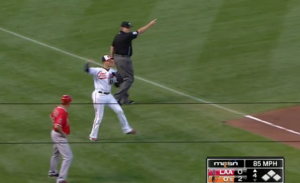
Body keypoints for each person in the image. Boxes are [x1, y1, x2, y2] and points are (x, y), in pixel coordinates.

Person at [84, 55, 136, 141]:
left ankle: (127, 129)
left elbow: (116, 84)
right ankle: (93, 135)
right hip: (99, 95)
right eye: (109, 60)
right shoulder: (97, 70)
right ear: (105, 62)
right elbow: (86, 69)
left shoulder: (113, 72)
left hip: (108, 95)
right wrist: (87, 63)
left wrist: (119, 81)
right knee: (99, 116)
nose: (111, 61)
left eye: (111, 59)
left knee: (119, 110)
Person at [110, 19, 157, 105]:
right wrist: (150, 24)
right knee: (129, 79)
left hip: (117, 58)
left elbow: (112, 47)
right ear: (122, 28)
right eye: (127, 27)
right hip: (124, 59)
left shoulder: (117, 36)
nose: (128, 29)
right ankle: (116, 98)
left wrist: (112, 58)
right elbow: (140, 31)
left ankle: (125, 99)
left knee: (123, 79)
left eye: (129, 27)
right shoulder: (127, 36)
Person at [48, 95, 73, 183]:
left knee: (56, 153)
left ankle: (52, 172)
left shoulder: (57, 108)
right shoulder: (63, 112)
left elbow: (51, 116)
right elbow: (57, 126)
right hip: (59, 135)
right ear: (68, 103)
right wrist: (64, 134)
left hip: (54, 134)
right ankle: (61, 179)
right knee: (68, 157)